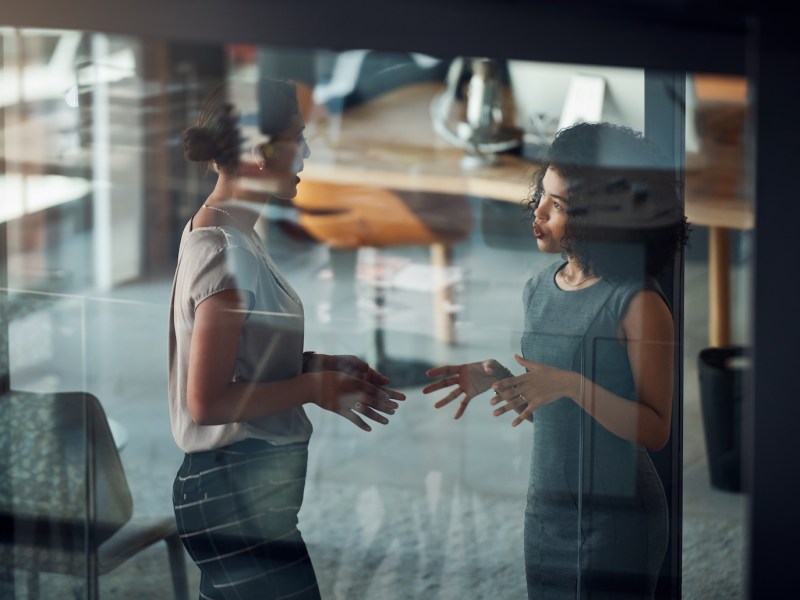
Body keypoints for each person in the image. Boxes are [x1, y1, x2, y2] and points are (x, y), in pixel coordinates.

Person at [423, 122, 689, 599]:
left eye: (559, 205)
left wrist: (573, 384)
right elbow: (558, 413)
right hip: (546, 508)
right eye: (542, 196)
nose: (538, 212)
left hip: (618, 516)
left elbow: (655, 430)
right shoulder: (539, 288)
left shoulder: (638, 302)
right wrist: (501, 380)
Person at [168, 79, 405, 600]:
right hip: (232, 493)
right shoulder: (224, 247)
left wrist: (315, 365)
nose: (306, 152)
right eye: (298, 138)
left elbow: (240, 359)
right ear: (259, 150)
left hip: (242, 491)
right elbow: (207, 402)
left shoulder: (238, 234)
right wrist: (313, 388)